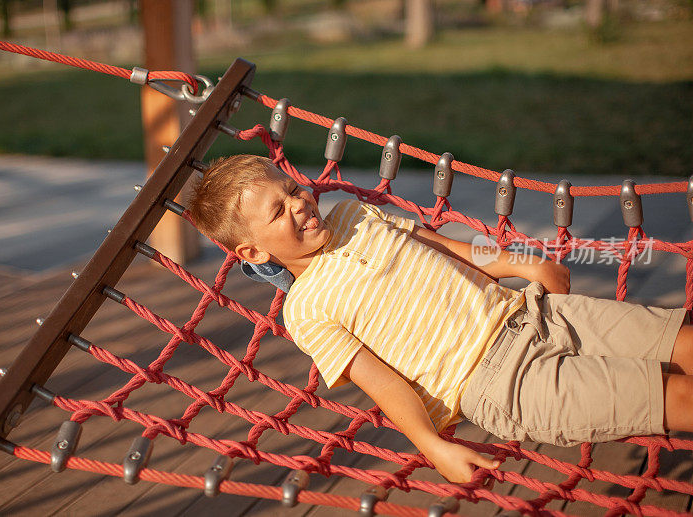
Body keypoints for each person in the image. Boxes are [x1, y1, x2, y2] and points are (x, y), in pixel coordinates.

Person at [187, 154, 692, 484]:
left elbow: (450, 248)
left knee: (685, 344)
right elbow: (382, 384)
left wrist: (517, 260)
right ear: (253, 250)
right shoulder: (306, 309)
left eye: (294, 189)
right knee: (678, 396)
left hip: (534, 313)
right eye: (279, 211)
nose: (300, 204)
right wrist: (432, 446)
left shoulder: (352, 214)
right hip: (501, 384)